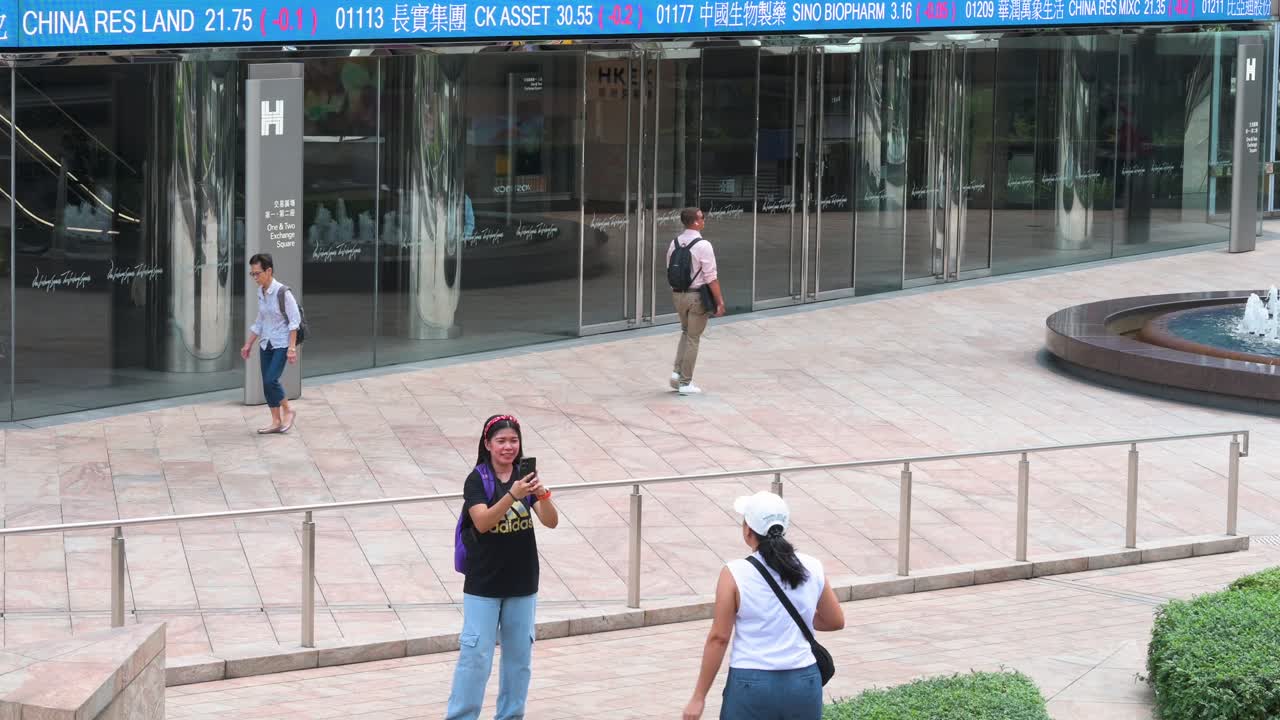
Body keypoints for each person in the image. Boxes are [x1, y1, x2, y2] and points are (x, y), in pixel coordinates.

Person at [683, 492, 845, 720]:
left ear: (747, 530)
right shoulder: (812, 566)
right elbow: (835, 620)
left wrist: (698, 697)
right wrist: (801, 616)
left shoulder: (735, 573)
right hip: (803, 681)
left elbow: (719, 638)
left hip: (751, 684)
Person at [447, 414, 559, 720]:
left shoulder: (525, 478)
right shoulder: (477, 479)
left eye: (514, 440)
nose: (508, 447)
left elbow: (551, 521)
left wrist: (541, 493)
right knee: (476, 656)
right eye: (501, 441)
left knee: (518, 658)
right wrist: (513, 495)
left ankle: (511, 716)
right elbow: (482, 522)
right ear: (487, 444)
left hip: (522, 583)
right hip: (484, 583)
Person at [240, 253, 301, 434]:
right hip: (265, 343)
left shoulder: (283, 293)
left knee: (270, 379)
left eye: (257, 273)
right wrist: (248, 344)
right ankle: (275, 421)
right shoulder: (261, 292)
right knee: (266, 384)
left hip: (281, 343)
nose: (255, 277)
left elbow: (294, 322)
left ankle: (288, 409)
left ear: (269, 271)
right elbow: (260, 321)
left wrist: (291, 348)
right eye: (252, 274)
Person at [668, 207, 725, 396]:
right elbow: (711, 278)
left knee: (686, 333)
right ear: (695, 222)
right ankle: (685, 382)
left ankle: (677, 374)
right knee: (693, 338)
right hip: (696, 297)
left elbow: (670, 269)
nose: (704, 220)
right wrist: (719, 301)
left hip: (678, 295)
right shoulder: (703, 245)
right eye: (702, 217)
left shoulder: (674, 243)